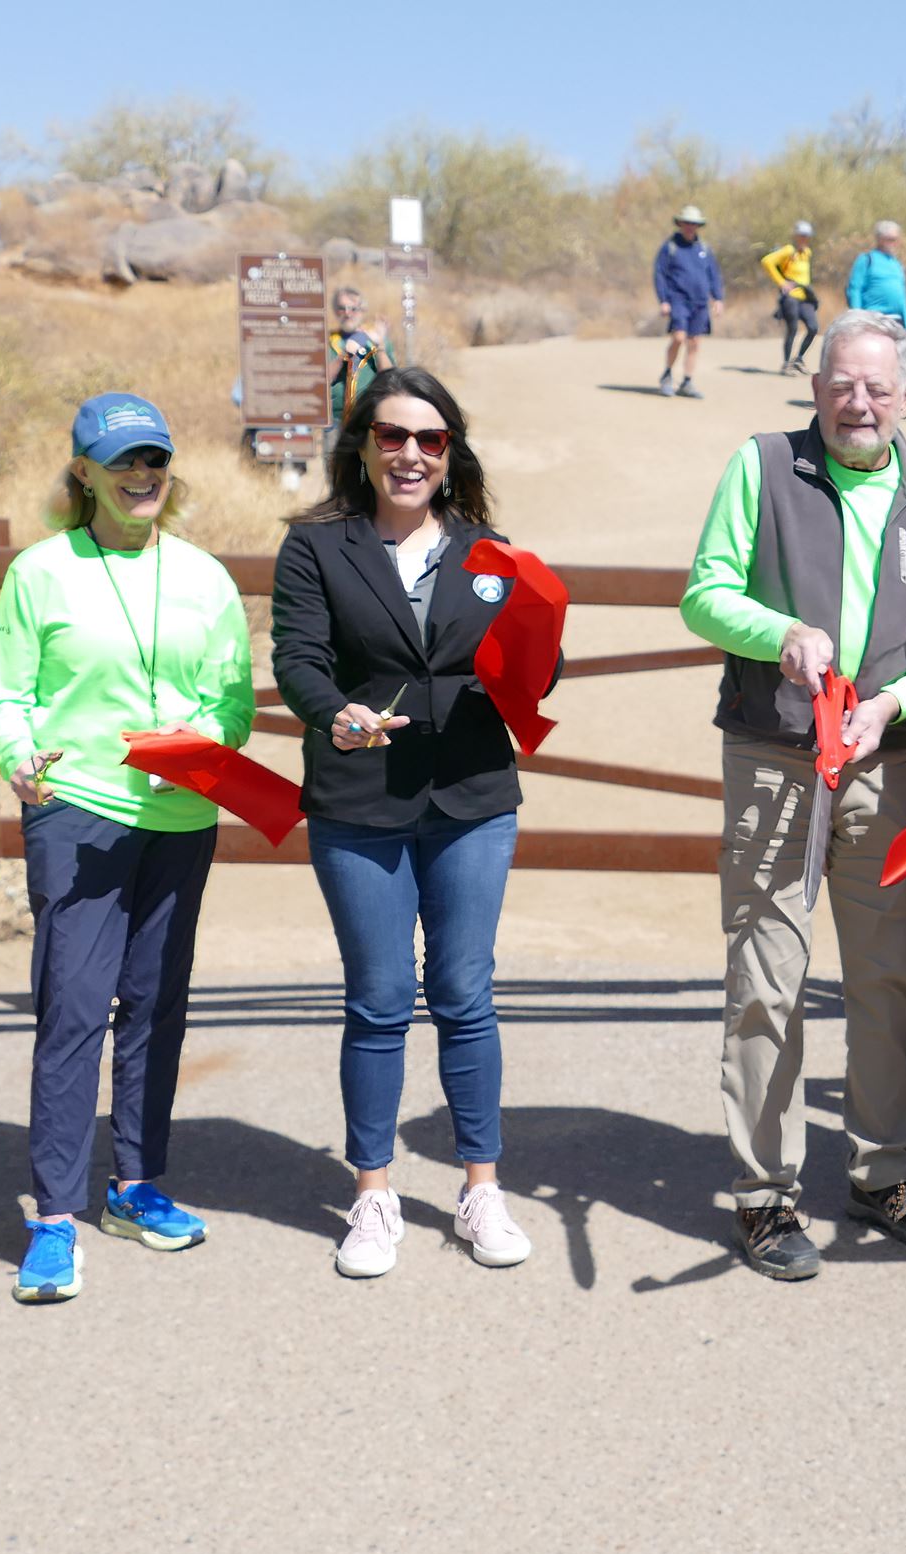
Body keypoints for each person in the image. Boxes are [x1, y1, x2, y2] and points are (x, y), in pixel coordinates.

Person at [681, 310, 906, 1280]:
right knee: (764, 981)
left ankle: (882, 1170)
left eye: (876, 386)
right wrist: (781, 634)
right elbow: (704, 591)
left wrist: (894, 697)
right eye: (840, 384)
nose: (858, 402)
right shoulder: (762, 464)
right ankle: (767, 1195)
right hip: (773, 756)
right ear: (815, 389)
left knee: (890, 980)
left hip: (882, 761)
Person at [0, 393, 255, 1304]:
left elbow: (235, 705)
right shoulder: (41, 572)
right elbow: (4, 699)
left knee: (156, 1007)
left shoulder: (207, 578)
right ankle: (53, 1216)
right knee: (73, 1012)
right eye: (124, 461)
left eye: (156, 460)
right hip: (78, 810)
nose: (144, 476)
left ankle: (137, 1186)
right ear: (84, 471)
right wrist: (20, 758)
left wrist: (202, 745)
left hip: (179, 817)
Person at [270, 367, 541, 1280]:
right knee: (379, 999)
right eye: (393, 436)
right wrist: (332, 712)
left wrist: (536, 667)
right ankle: (374, 1194)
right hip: (360, 799)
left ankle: (480, 1190)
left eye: (430, 439)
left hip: (471, 796)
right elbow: (299, 658)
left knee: (466, 994)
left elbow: (531, 660)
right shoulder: (316, 547)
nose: (411, 455)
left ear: (451, 452)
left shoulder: (489, 550)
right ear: (363, 446)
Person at [653, 205, 725, 400]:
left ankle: (687, 381)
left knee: (694, 342)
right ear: (680, 223)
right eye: (687, 223)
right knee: (678, 338)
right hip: (678, 299)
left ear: (698, 225)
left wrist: (718, 297)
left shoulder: (703, 248)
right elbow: (660, 273)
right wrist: (664, 300)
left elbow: (714, 274)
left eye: (694, 223)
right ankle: (667, 375)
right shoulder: (670, 247)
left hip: (700, 302)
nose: (690, 227)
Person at [327, 286, 393, 426]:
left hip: (369, 420)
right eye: (341, 308)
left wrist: (380, 346)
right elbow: (321, 381)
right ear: (335, 311)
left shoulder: (375, 339)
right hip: (335, 422)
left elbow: (390, 378)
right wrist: (343, 356)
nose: (347, 313)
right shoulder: (328, 340)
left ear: (363, 311)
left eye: (353, 308)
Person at [761, 220, 820, 376]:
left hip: (804, 297)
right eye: (802, 236)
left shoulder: (807, 252)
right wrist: (782, 283)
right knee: (792, 328)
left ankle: (798, 359)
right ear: (796, 236)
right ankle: (786, 364)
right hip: (790, 297)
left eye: (807, 236)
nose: (804, 239)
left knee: (813, 328)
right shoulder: (789, 250)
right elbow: (767, 261)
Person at [846, 220, 906, 331]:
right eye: (891, 239)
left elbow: (902, 295)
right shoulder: (867, 259)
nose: (895, 243)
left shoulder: (896, 263)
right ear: (880, 239)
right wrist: (857, 319)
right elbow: (855, 289)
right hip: (872, 320)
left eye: (896, 239)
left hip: (897, 322)